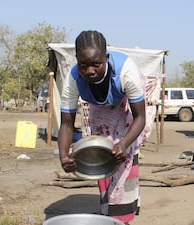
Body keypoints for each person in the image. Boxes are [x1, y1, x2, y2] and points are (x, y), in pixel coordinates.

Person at [58, 30, 146, 225]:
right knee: (101, 151)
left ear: (106, 58)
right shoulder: (73, 79)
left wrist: (124, 143)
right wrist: (63, 154)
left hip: (127, 104)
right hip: (98, 107)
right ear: (77, 61)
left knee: (124, 156)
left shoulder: (126, 72)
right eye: (83, 65)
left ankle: (123, 217)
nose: (89, 71)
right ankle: (107, 211)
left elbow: (140, 117)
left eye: (96, 64)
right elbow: (66, 123)